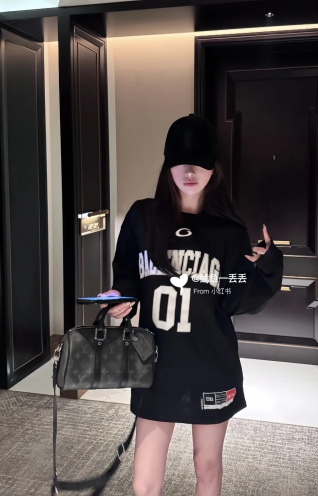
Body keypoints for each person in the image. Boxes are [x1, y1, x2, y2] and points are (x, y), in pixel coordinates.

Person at [99, 113, 284, 496]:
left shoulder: (229, 231)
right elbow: (128, 275)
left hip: (211, 364)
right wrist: (120, 298)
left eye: (200, 162)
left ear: (213, 168)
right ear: (167, 164)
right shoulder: (142, 217)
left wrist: (266, 267)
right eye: (180, 161)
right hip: (155, 364)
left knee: (207, 466)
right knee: (145, 481)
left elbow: (236, 299)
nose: (189, 171)